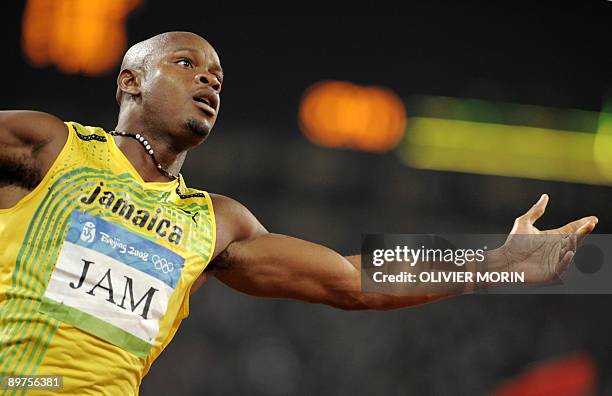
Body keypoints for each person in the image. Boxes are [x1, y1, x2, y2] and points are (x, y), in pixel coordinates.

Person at [0, 31, 597, 395]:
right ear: (131, 79)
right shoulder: (49, 146)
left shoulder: (216, 222)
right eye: (186, 63)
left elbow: (352, 278)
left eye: (217, 76)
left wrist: (497, 262)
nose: (208, 78)